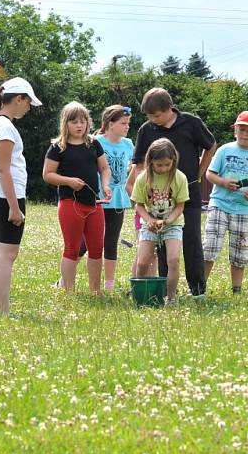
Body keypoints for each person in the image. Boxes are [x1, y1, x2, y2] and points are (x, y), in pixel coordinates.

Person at [127, 87, 216, 298]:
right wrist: (137, 188)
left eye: (157, 115)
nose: (154, 120)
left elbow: (211, 145)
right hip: (158, 197)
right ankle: (167, 291)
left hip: (187, 192)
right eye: (150, 116)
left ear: (169, 108)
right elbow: (139, 163)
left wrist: (199, 172)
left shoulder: (190, 122)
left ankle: (198, 291)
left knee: (192, 239)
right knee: (164, 244)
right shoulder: (146, 130)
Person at [0, 77, 42, 315]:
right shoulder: (5, 126)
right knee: (8, 254)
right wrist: (14, 207)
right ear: (18, 99)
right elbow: (4, 169)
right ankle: (3, 310)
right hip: (5, 195)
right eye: (27, 102)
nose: (28, 108)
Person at [43, 102, 112, 293]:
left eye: (83, 121)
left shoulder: (93, 144)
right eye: (74, 122)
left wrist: (106, 185)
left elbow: (104, 168)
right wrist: (68, 181)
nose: (79, 126)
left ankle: (95, 290)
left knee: (97, 248)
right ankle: (69, 291)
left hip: (94, 203)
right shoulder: (58, 147)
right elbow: (47, 174)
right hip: (69, 203)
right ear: (66, 123)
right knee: (72, 248)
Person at [202, 111, 248, 294]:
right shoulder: (225, 150)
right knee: (210, 246)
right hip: (219, 204)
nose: (245, 134)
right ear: (235, 131)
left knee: (240, 250)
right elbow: (209, 173)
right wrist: (224, 182)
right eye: (242, 130)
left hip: (243, 208)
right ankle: (200, 286)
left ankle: (236, 289)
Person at [132, 138, 189, 303]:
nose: (163, 168)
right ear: (150, 162)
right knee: (142, 262)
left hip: (173, 224)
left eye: (167, 164)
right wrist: (149, 220)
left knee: (174, 259)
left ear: (173, 161)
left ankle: (170, 298)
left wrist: (170, 220)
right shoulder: (143, 178)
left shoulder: (180, 178)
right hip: (149, 225)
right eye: (159, 165)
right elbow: (139, 205)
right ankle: (140, 297)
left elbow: (180, 205)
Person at [95, 105, 134, 290]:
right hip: (99, 199)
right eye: (123, 123)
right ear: (110, 124)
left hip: (118, 200)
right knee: (86, 243)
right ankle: (65, 279)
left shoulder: (128, 144)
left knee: (111, 243)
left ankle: (109, 285)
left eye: (128, 123)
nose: (127, 127)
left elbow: (134, 166)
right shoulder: (96, 142)